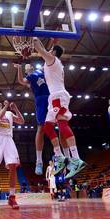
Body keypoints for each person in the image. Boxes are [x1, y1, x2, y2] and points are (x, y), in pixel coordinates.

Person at [32, 37, 86, 179]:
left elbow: (40, 49)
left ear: (53, 53)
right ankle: (60, 156)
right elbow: (46, 50)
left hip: (58, 96)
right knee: (47, 127)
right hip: (53, 97)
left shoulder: (53, 61)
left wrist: (33, 37)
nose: (49, 51)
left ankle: (76, 158)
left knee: (62, 122)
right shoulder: (53, 62)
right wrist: (51, 43)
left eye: (51, 50)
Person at [14, 63, 49, 175]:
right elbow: (20, 80)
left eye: (29, 65)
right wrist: (19, 68)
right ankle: (39, 161)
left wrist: (52, 48)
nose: (28, 65)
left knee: (59, 124)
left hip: (52, 97)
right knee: (41, 128)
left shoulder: (41, 70)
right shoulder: (30, 78)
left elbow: (48, 60)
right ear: (26, 71)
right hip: (41, 101)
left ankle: (62, 155)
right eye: (26, 66)